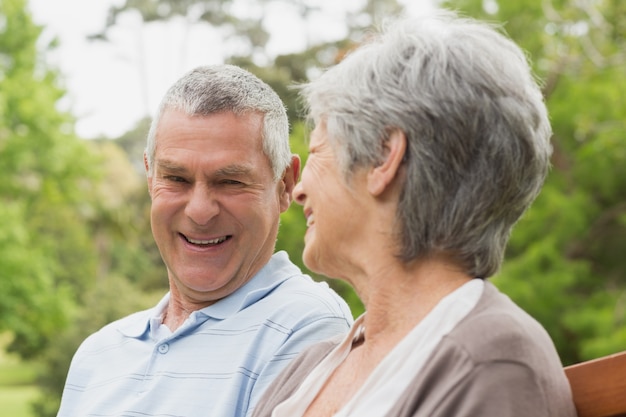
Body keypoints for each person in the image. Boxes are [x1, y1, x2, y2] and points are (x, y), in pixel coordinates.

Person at [252, 10, 577, 417]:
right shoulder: (308, 367)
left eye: (317, 151)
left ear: (384, 158)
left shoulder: (491, 358)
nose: (298, 190)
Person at [57, 64, 353, 417]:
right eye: (177, 178)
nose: (199, 211)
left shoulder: (308, 327)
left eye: (230, 181)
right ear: (150, 176)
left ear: (285, 185)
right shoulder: (98, 354)